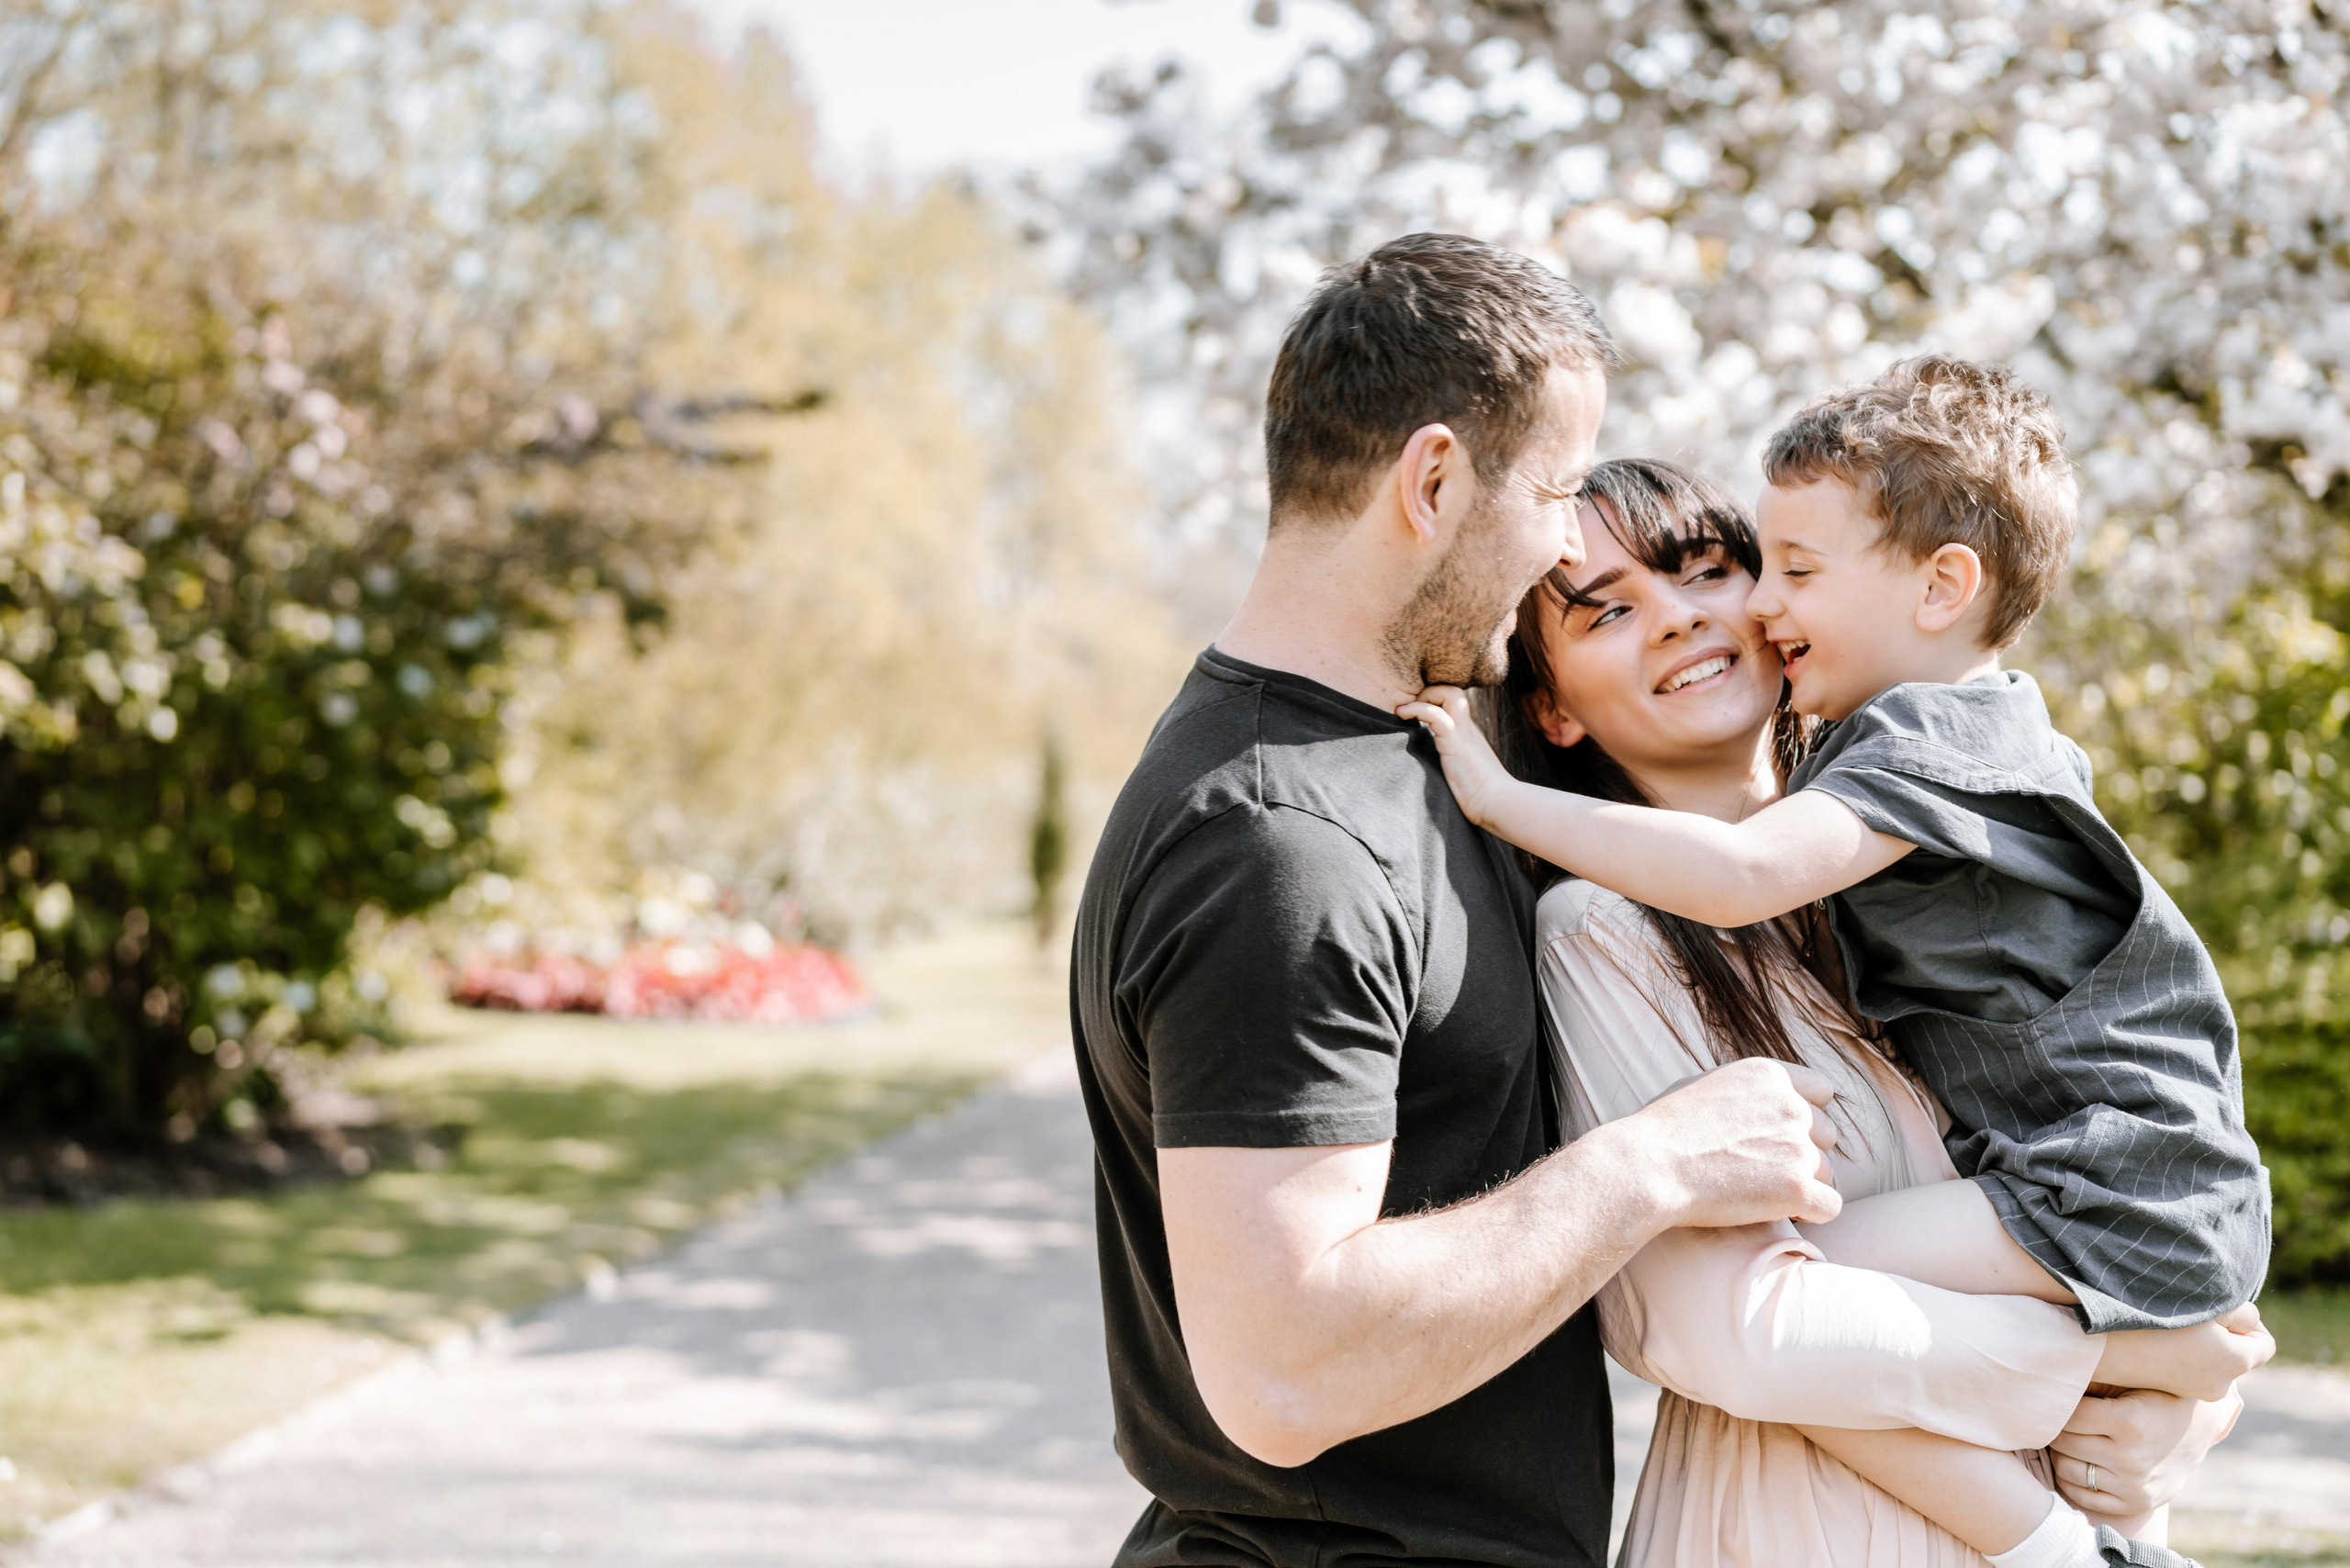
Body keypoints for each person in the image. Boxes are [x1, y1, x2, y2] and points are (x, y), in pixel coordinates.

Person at [1069, 234, 1852, 1568]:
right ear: (1433, 479)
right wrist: (1655, 1163)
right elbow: (1283, 1372)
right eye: (1552, 491)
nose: (1563, 538)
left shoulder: (1414, 766)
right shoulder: (1278, 843)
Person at [1480, 457, 2266, 1568]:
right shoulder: (1602, 931)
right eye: (1607, 609)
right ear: (1551, 708)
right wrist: (2135, 1358)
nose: (1677, 619)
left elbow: (2133, 1212)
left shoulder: (1927, 891)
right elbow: (1742, 1330)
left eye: (1706, 570)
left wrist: (2183, 1415)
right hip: (1797, 1528)